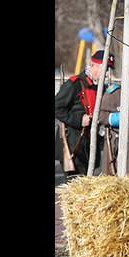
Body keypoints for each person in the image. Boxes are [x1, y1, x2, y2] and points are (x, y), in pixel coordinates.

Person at [55, 50, 114, 178]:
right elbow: (56, 107)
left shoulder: (100, 87)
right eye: (106, 69)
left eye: (109, 69)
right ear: (93, 66)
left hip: (89, 146)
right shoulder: (74, 84)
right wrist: (78, 120)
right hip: (73, 145)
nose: (108, 73)